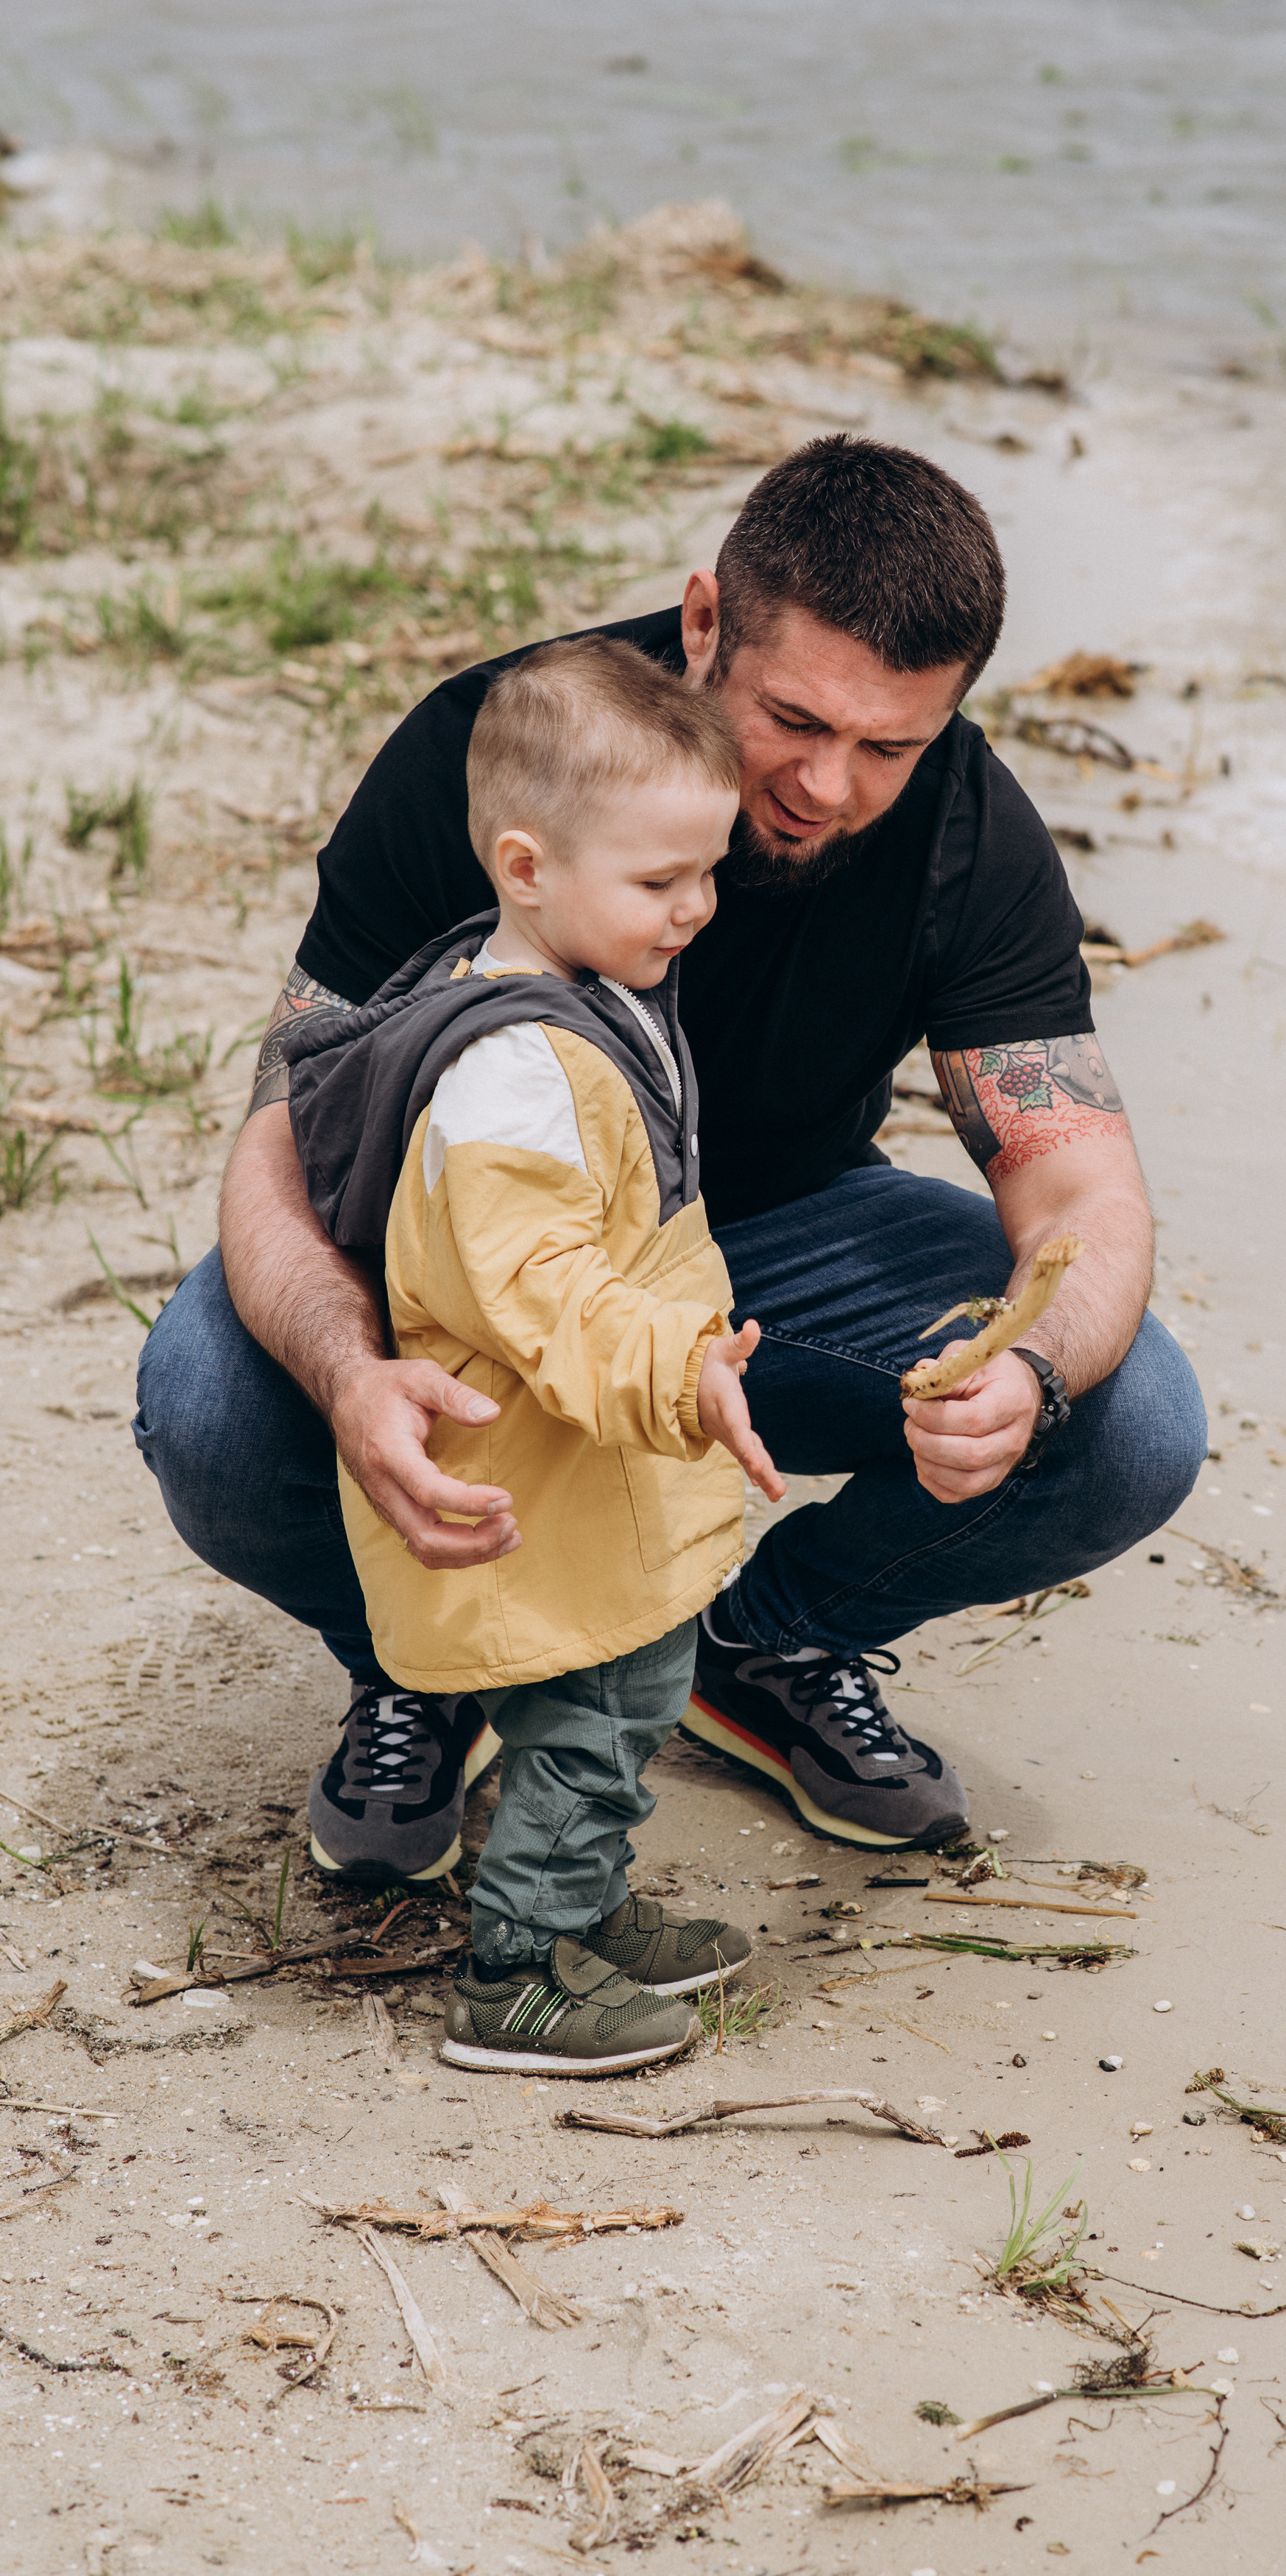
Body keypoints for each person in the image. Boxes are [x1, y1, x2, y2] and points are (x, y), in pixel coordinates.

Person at [133, 434, 1207, 1883]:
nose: (830, 786)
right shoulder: (501, 752)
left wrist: (1026, 1369)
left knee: (1130, 1409)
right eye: (794, 721)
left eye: (889, 744)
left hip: (766, 1257)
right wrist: (345, 1368)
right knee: (203, 1388)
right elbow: (279, 1138)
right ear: (705, 622)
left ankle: (759, 1644)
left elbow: (1084, 1193)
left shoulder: (969, 834)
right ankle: (425, 1661)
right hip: (465, 1267)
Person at [289, 636, 769, 2072]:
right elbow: (539, 1285)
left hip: (594, 1466)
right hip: (555, 1476)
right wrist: (675, 1365)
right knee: (591, 1714)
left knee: (622, 1703)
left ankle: (586, 1910)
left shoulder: (579, 980)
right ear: (525, 862)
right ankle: (519, 1970)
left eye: (708, 870)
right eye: (660, 879)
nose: (696, 907)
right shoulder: (513, 1076)